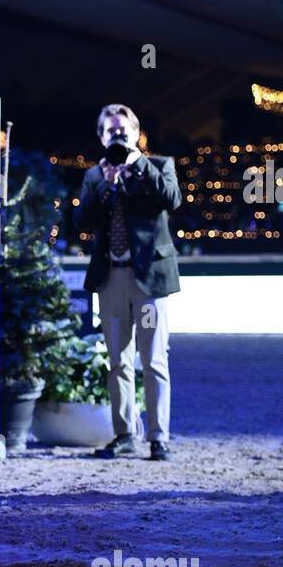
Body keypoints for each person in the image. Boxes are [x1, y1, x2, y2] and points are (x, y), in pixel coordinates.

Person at [75, 103, 182, 460]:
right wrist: (106, 187)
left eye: (124, 131)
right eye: (112, 132)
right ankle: (124, 435)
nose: (118, 136)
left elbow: (170, 199)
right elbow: (80, 222)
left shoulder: (159, 166)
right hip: (111, 282)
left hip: (149, 282)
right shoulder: (94, 176)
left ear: (137, 134)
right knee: (118, 361)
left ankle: (158, 437)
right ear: (101, 137)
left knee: (152, 359)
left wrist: (136, 164)